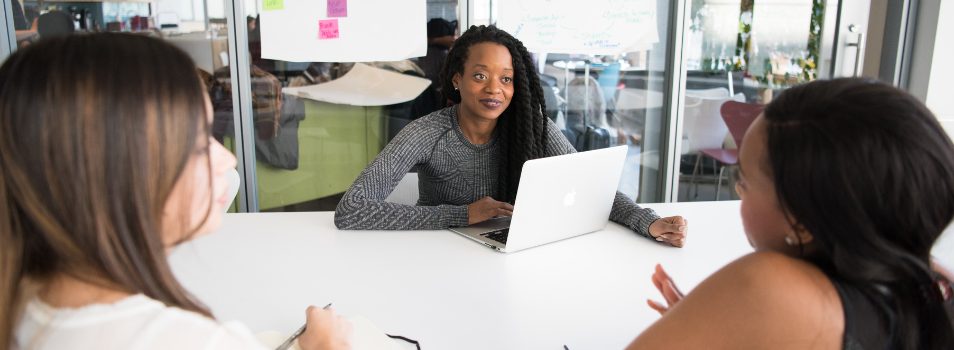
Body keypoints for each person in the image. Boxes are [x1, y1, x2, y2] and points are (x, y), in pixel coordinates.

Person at [0, 34, 350, 349]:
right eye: (198, 145)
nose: (227, 157)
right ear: (118, 176)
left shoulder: (25, 301)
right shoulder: (186, 339)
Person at [630, 78, 954, 348]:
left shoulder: (767, 286)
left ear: (800, 220)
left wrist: (719, 314)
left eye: (744, 182)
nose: (739, 192)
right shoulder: (934, 283)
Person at [334, 25, 687, 246]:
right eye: (480, 76)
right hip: (434, 257)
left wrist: (648, 221)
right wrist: (460, 215)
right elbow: (351, 210)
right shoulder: (427, 133)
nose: (495, 89)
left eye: (506, 79)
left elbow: (593, 188)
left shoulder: (531, 127)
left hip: (511, 254)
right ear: (457, 79)